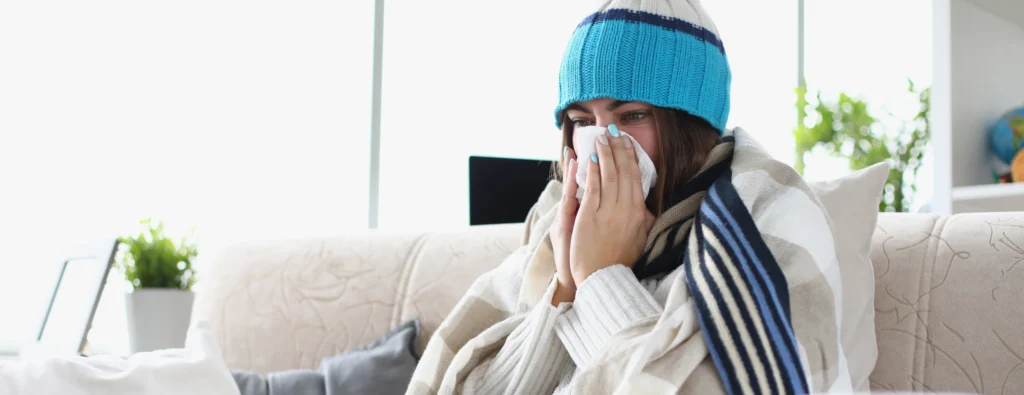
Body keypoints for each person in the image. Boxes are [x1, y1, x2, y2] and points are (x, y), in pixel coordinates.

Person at [407, 1, 848, 394]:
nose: (600, 140)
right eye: (581, 120)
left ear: (693, 127)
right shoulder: (551, 230)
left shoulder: (768, 215)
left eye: (632, 114)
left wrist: (602, 279)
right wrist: (566, 287)